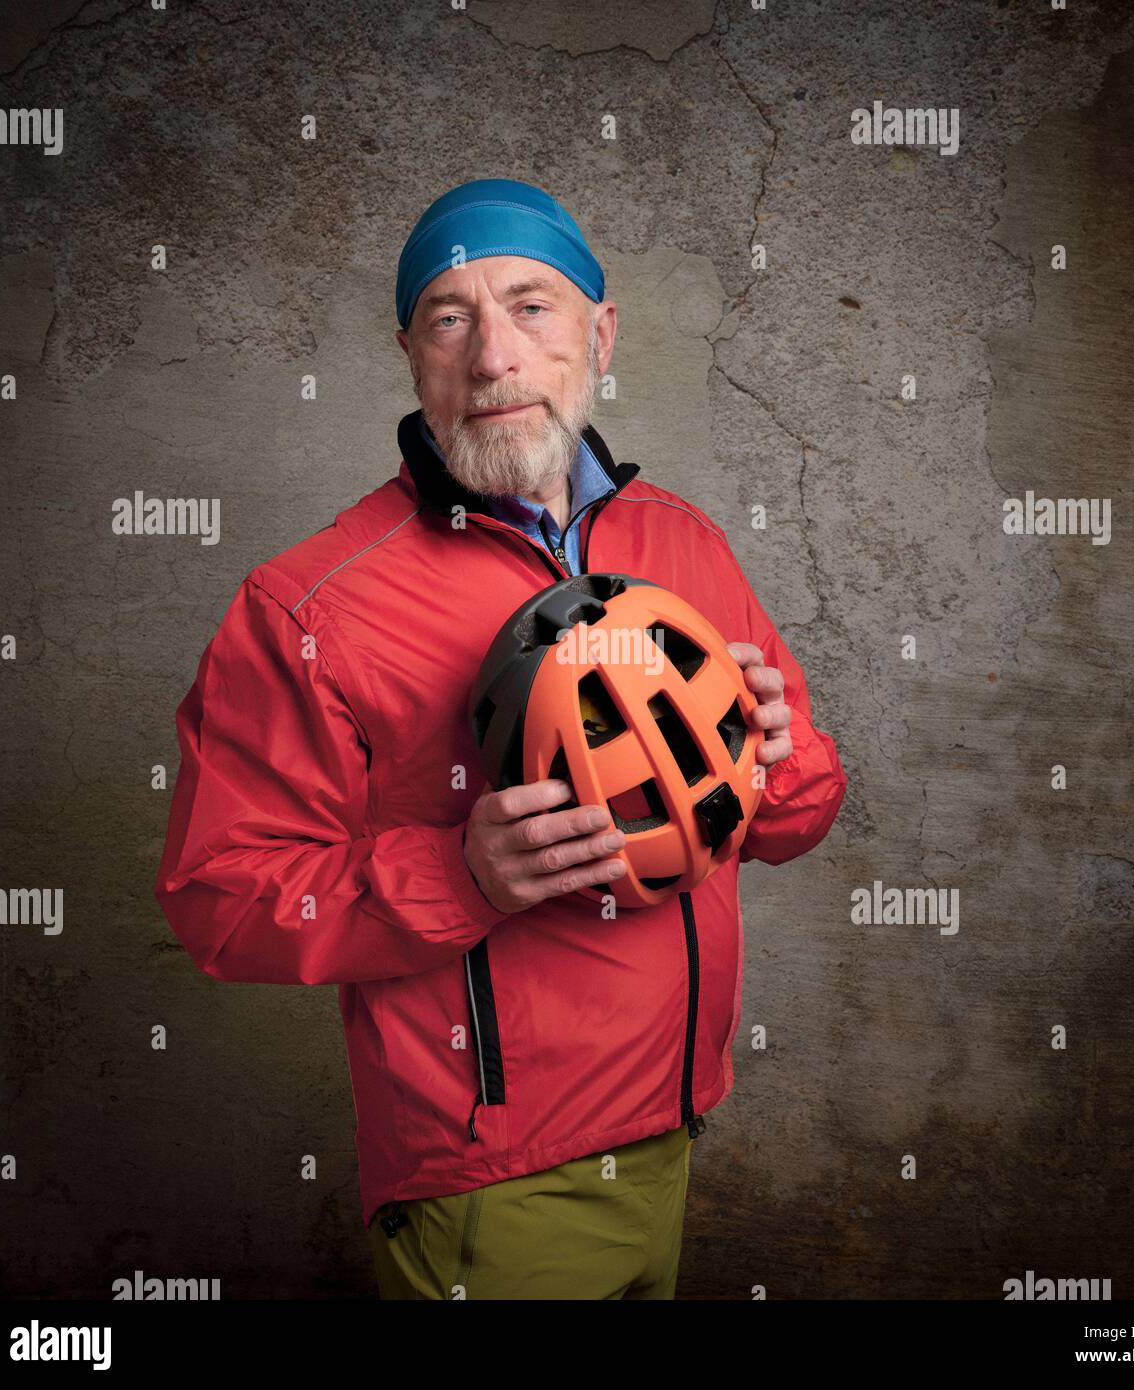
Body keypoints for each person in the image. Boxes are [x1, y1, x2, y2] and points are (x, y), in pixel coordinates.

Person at [154, 177, 848, 1300]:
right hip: (490, 1181)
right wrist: (456, 873)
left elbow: (782, 824)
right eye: (449, 317)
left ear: (599, 332)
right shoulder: (308, 607)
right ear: (411, 355)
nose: (492, 358)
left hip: (674, 1129)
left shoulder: (685, 544)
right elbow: (218, 895)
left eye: (531, 306)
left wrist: (781, 757)